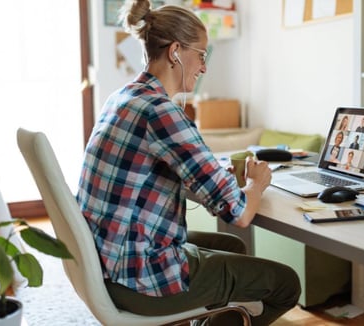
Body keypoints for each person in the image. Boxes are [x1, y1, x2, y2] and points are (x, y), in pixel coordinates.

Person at [76, 1, 301, 325]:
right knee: (285, 284)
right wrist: (257, 184)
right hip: (137, 278)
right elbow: (239, 213)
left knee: (230, 246)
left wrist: (215, 178)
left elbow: (162, 168)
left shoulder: (123, 97)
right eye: (202, 54)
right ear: (176, 51)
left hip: (108, 260)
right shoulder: (161, 111)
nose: (204, 66)